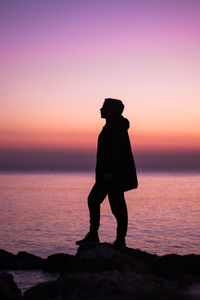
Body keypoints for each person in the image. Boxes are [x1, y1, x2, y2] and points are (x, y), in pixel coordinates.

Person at [76, 98, 138, 248]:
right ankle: (111, 238)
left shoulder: (115, 125)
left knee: (108, 204)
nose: (100, 109)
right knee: (113, 205)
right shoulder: (113, 125)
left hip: (111, 175)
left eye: (104, 107)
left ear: (111, 110)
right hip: (110, 174)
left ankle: (106, 238)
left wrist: (109, 171)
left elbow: (115, 151)